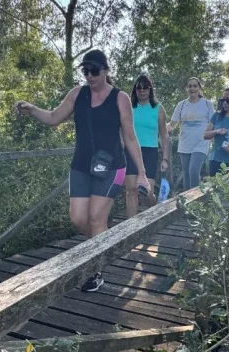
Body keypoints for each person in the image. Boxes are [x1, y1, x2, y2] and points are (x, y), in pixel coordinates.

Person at [15, 49, 152, 292]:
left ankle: (94, 270)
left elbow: (130, 137)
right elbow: (54, 117)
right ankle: (104, 245)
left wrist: (141, 172)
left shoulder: (120, 98)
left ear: (106, 70)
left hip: (111, 167)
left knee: (96, 218)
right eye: (85, 71)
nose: (89, 76)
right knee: (78, 218)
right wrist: (33, 109)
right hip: (81, 165)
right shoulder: (77, 94)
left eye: (94, 71)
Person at [125, 74, 170, 217]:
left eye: (145, 87)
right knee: (131, 190)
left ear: (150, 90)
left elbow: (164, 135)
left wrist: (165, 158)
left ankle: (157, 208)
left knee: (146, 192)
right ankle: (129, 230)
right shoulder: (129, 107)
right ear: (135, 90)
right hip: (130, 151)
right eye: (139, 88)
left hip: (150, 151)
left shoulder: (158, 108)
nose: (142, 90)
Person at [167, 77, 215, 191]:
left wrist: (214, 138)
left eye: (195, 86)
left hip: (201, 143)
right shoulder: (181, 105)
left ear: (199, 88)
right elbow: (172, 125)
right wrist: (159, 129)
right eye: (190, 86)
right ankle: (187, 203)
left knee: (193, 171)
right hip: (185, 144)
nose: (192, 88)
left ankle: (196, 201)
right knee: (186, 173)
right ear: (186, 88)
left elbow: (213, 124)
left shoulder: (208, 104)